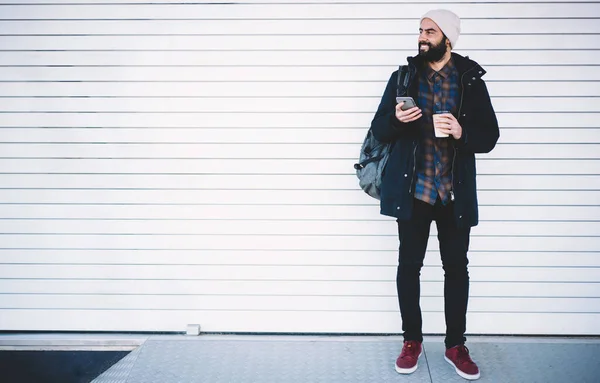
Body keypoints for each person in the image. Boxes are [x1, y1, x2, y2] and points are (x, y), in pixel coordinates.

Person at [369, 9, 500, 381]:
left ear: (448, 38)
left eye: (430, 31)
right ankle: (412, 341)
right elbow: (379, 129)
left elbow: (490, 136)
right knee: (409, 267)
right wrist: (397, 120)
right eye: (420, 30)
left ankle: (455, 345)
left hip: (453, 193)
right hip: (413, 192)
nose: (422, 37)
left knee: (457, 269)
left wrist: (461, 132)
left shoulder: (470, 80)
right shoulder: (403, 78)